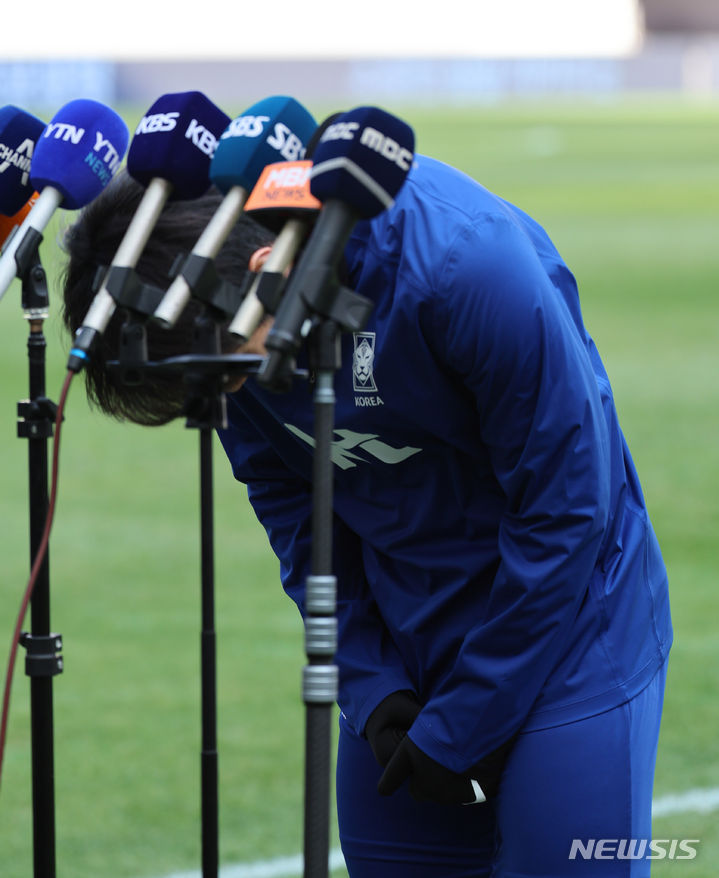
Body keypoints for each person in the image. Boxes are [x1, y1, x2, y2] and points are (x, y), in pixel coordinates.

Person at [61, 148, 672, 877]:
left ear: (264, 273)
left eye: (231, 369)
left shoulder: (464, 263)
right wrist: (369, 680)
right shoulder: (217, 321)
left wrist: (467, 716)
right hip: (401, 637)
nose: (234, 396)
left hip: (573, 634)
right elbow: (290, 502)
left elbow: (564, 511)